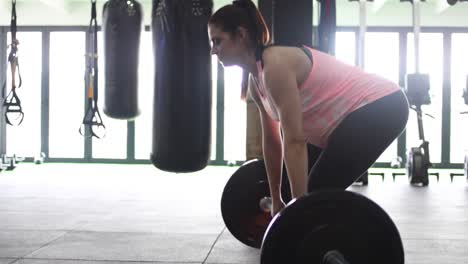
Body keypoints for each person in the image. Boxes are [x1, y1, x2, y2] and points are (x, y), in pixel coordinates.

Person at [208, 0, 409, 216]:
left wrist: (297, 214)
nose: (213, 50)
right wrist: (276, 199)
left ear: (241, 35)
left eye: (217, 41)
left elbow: (294, 141)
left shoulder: (275, 67)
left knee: (314, 196)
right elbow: (273, 144)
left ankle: (339, 241)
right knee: (291, 190)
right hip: (346, 122)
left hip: (381, 107)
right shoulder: (255, 84)